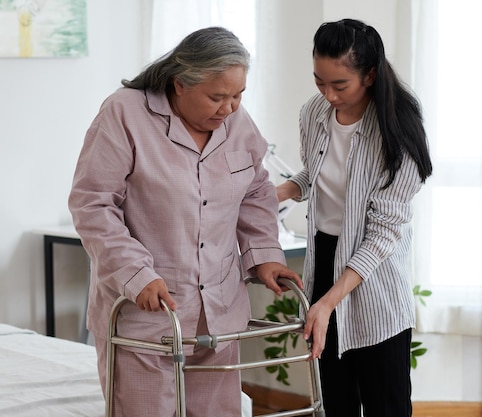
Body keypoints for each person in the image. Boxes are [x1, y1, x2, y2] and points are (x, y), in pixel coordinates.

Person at [68, 26, 302, 417]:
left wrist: (264, 255)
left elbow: (256, 192)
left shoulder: (236, 121)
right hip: (146, 314)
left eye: (238, 96)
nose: (229, 108)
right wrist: (135, 273)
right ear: (180, 84)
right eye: (217, 97)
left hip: (219, 313)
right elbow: (92, 204)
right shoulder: (126, 112)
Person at [276, 18, 433, 417]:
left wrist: (329, 302)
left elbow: (383, 233)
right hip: (325, 260)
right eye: (319, 82)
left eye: (339, 85)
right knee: (336, 400)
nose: (327, 95)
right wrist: (280, 191)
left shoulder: (398, 132)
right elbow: (314, 173)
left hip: (373, 274)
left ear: (370, 74)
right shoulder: (314, 113)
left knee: (387, 405)